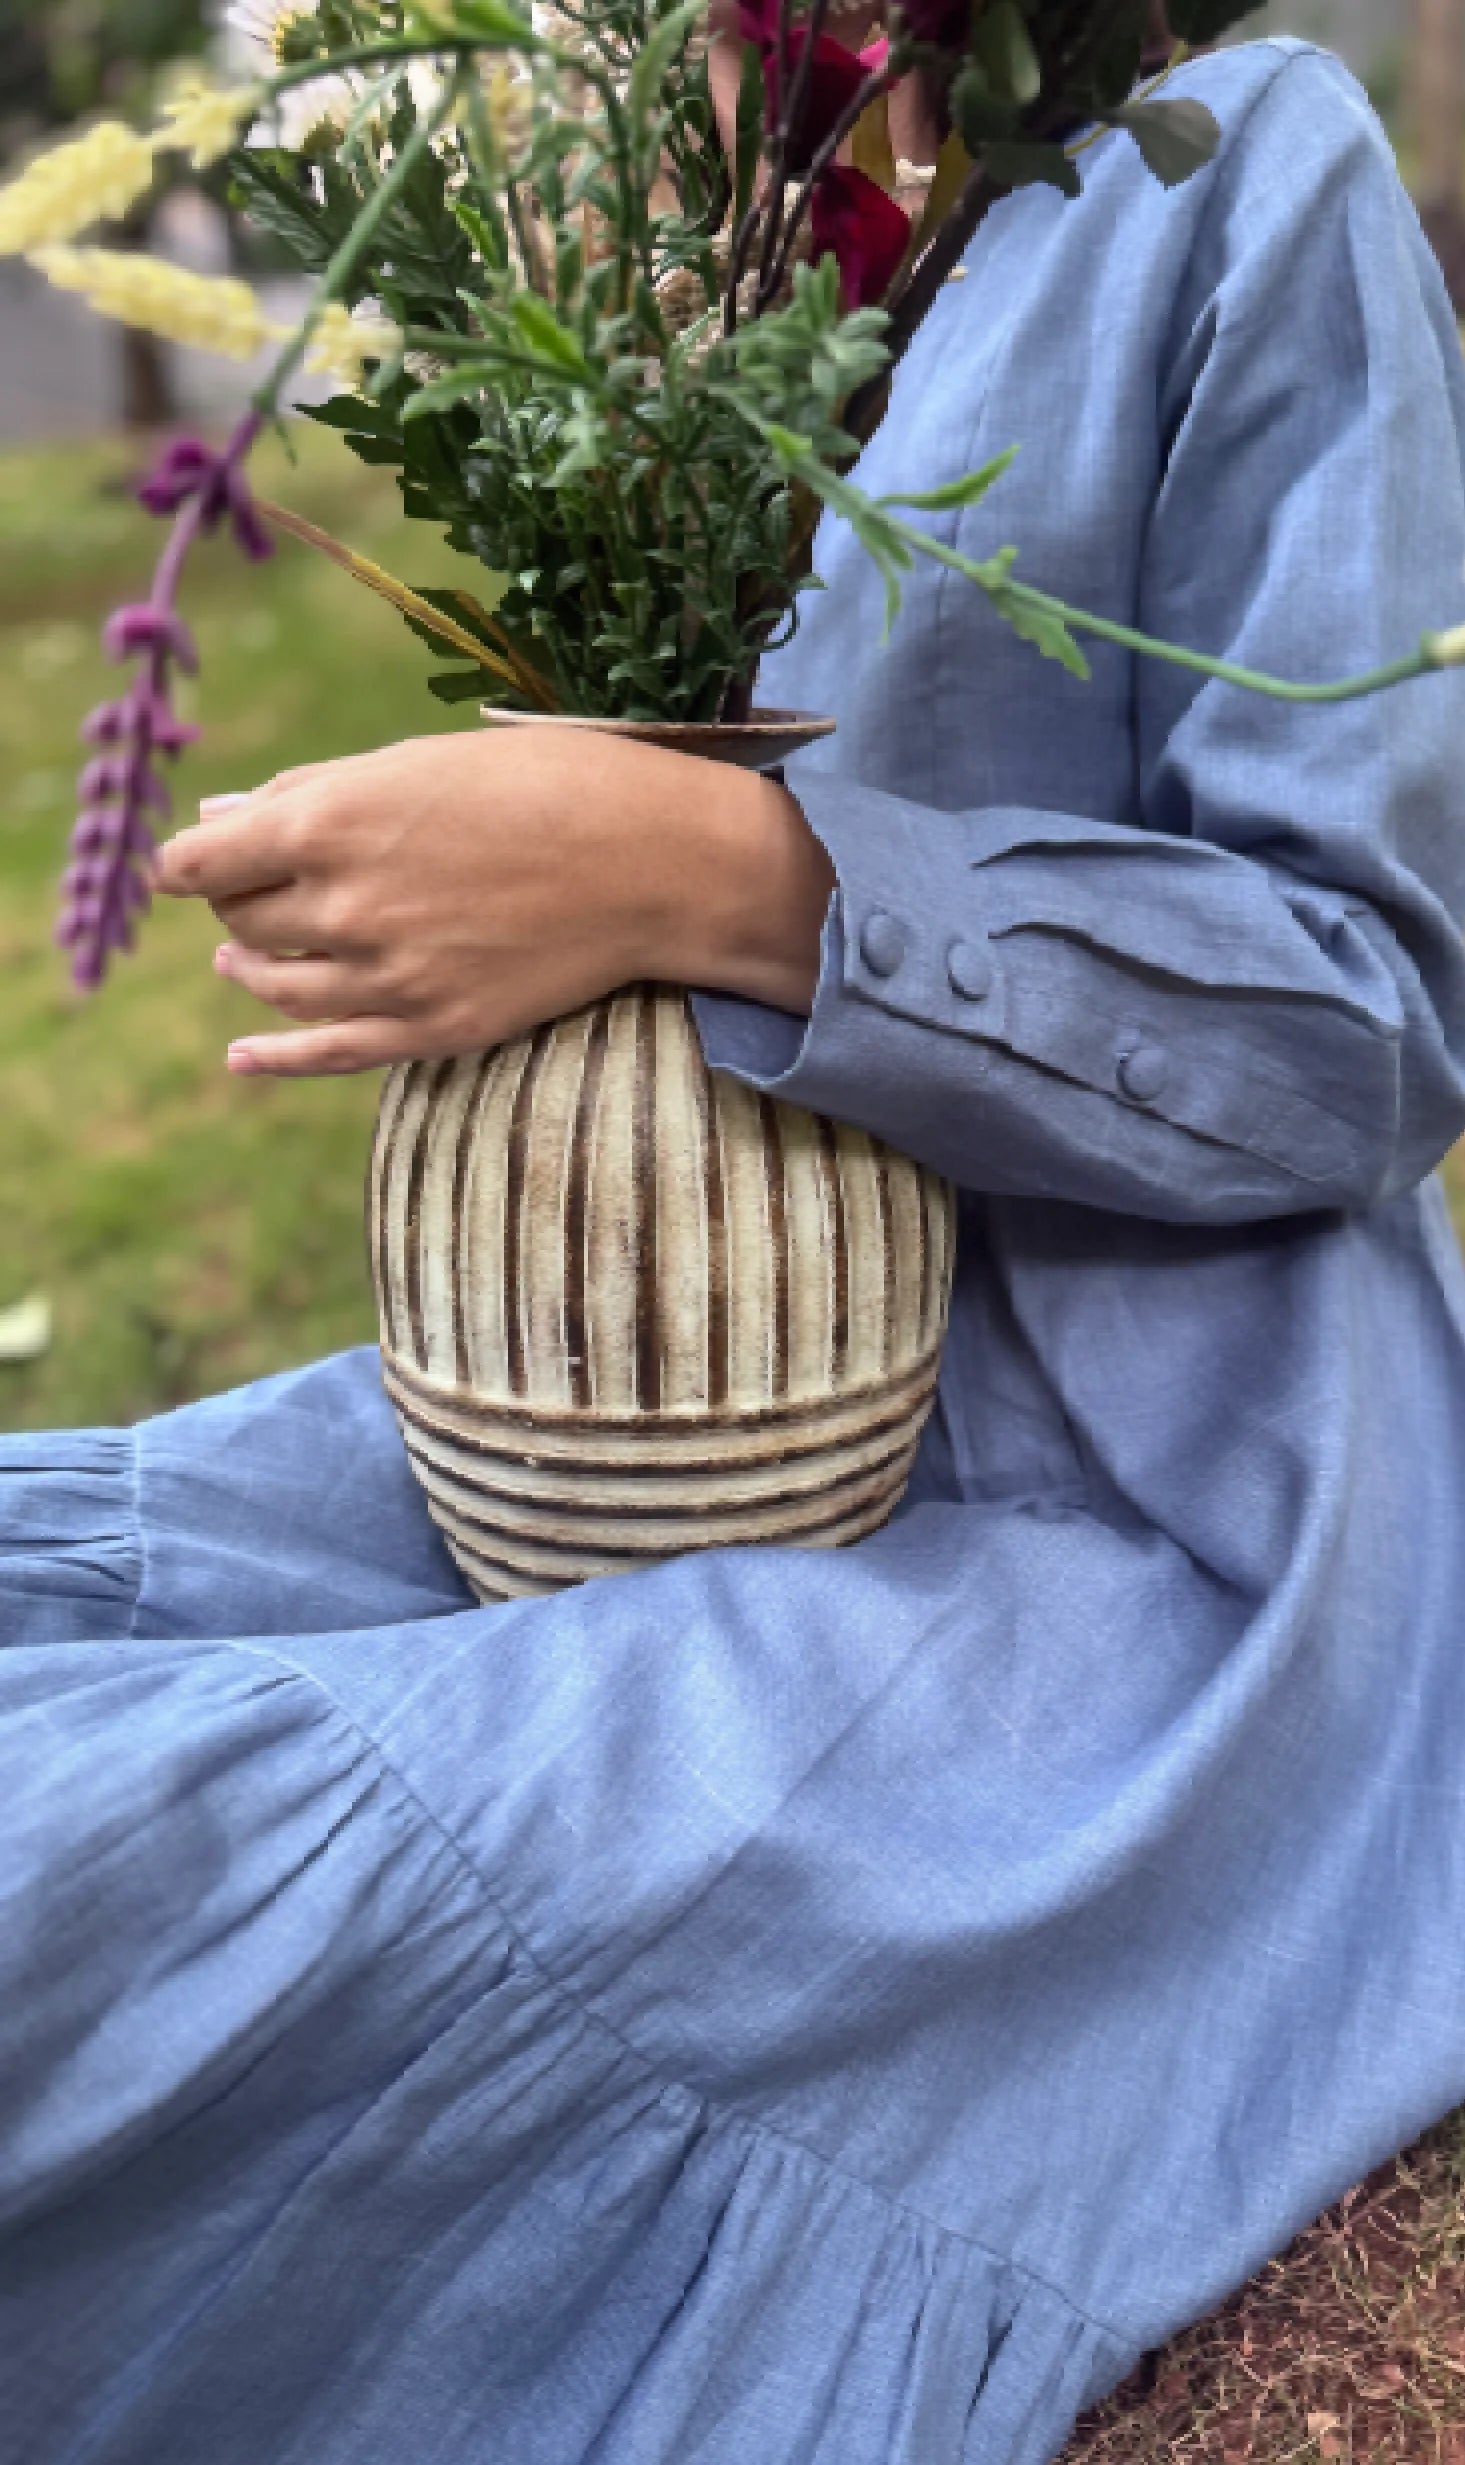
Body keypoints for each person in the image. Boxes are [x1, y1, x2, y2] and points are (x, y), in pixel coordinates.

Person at [6, 29, 1465, 2465]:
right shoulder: (704, 208)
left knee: (86, 1891)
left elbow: (1369, 1021)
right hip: (643, 1401)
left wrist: (709, 878)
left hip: (1142, 1527)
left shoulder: (1246, 167)